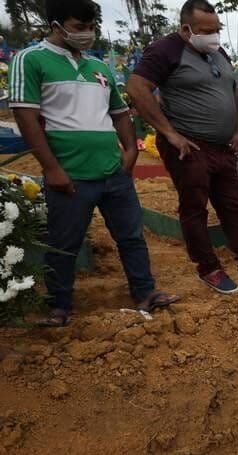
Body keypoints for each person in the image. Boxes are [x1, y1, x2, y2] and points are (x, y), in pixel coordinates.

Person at [10, 0, 178, 326]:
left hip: (112, 171)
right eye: (78, 27)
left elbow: (119, 113)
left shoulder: (98, 67)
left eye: (91, 27)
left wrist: (130, 151)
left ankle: (145, 291)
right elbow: (26, 116)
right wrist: (51, 168)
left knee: (131, 236)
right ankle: (59, 305)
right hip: (70, 173)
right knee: (64, 243)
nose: (86, 33)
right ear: (56, 25)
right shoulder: (30, 60)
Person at [129, 0, 238, 294]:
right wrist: (170, 133)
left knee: (233, 205)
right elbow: (136, 87)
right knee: (195, 208)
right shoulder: (165, 50)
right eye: (205, 30)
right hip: (189, 146)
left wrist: (237, 129)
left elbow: (231, 90)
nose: (213, 36)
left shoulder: (217, 52)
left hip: (222, 146)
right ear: (186, 29)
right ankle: (208, 267)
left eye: (216, 29)